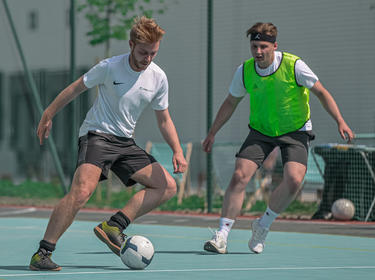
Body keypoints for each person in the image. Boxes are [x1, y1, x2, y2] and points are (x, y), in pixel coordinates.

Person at [29, 16, 187, 271]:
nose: (148, 59)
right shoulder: (109, 67)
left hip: (126, 142)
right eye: (143, 52)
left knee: (167, 186)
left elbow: (164, 119)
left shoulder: (158, 78)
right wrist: (48, 113)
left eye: (153, 53)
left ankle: (114, 226)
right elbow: (74, 89)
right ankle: (42, 253)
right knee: (81, 192)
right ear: (131, 45)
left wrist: (177, 151)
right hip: (97, 136)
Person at [203, 22, 354, 254]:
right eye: (254, 46)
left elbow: (321, 92)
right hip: (261, 131)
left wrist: (340, 121)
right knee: (239, 175)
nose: (258, 52)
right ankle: (222, 235)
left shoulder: (295, 65)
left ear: (275, 45)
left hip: (295, 130)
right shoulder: (245, 70)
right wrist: (212, 132)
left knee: (294, 180)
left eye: (263, 46)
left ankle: (262, 225)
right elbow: (230, 102)